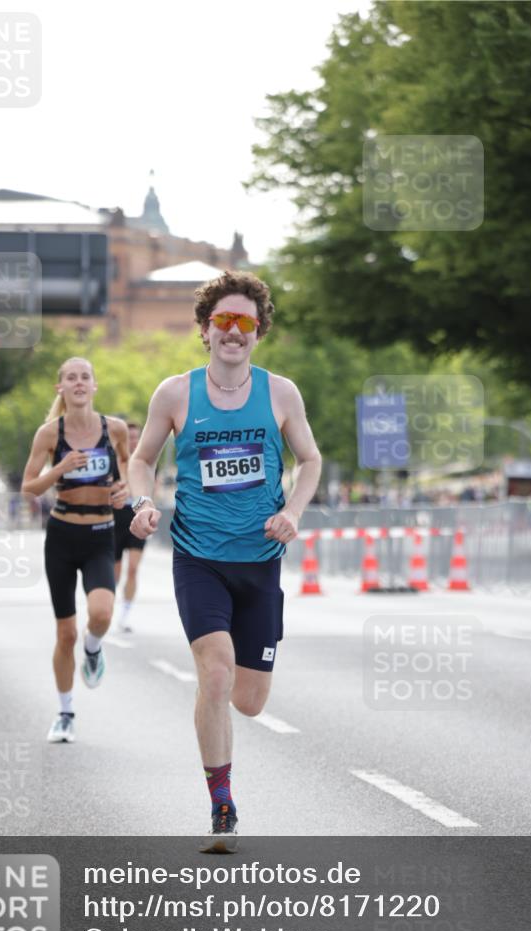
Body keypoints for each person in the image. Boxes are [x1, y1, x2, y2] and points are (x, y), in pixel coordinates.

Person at [129, 271, 322, 851]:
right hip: (198, 558)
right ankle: (222, 809)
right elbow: (142, 459)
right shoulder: (175, 393)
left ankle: (225, 719)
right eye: (223, 321)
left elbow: (310, 460)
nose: (233, 332)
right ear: (205, 329)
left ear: (258, 330)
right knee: (215, 674)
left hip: (261, 559)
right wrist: (142, 501)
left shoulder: (281, 392)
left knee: (249, 700)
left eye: (244, 322)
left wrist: (293, 510)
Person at [21, 357, 129, 744]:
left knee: (100, 615)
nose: (79, 382)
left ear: (94, 386)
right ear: (61, 388)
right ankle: (65, 712)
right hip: (63, 536)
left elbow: (128, 469)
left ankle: (95, 647)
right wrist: (61, 467)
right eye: (71, 377)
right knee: (64, 633)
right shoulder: (50, 434)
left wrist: (125, 489)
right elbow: (29, 487)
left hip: (101, 532)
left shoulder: (114, 429)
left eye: (85, 377)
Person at [113, 422, 147, 632]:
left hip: (137, 518)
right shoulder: (112, 462)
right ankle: (106, 608)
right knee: (114, 573)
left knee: (133, 569)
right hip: (115, 520)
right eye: (129, 437)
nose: (133, 441)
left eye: (136, 437)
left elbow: (149, 491)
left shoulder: (146, 461)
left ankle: (124, 616)